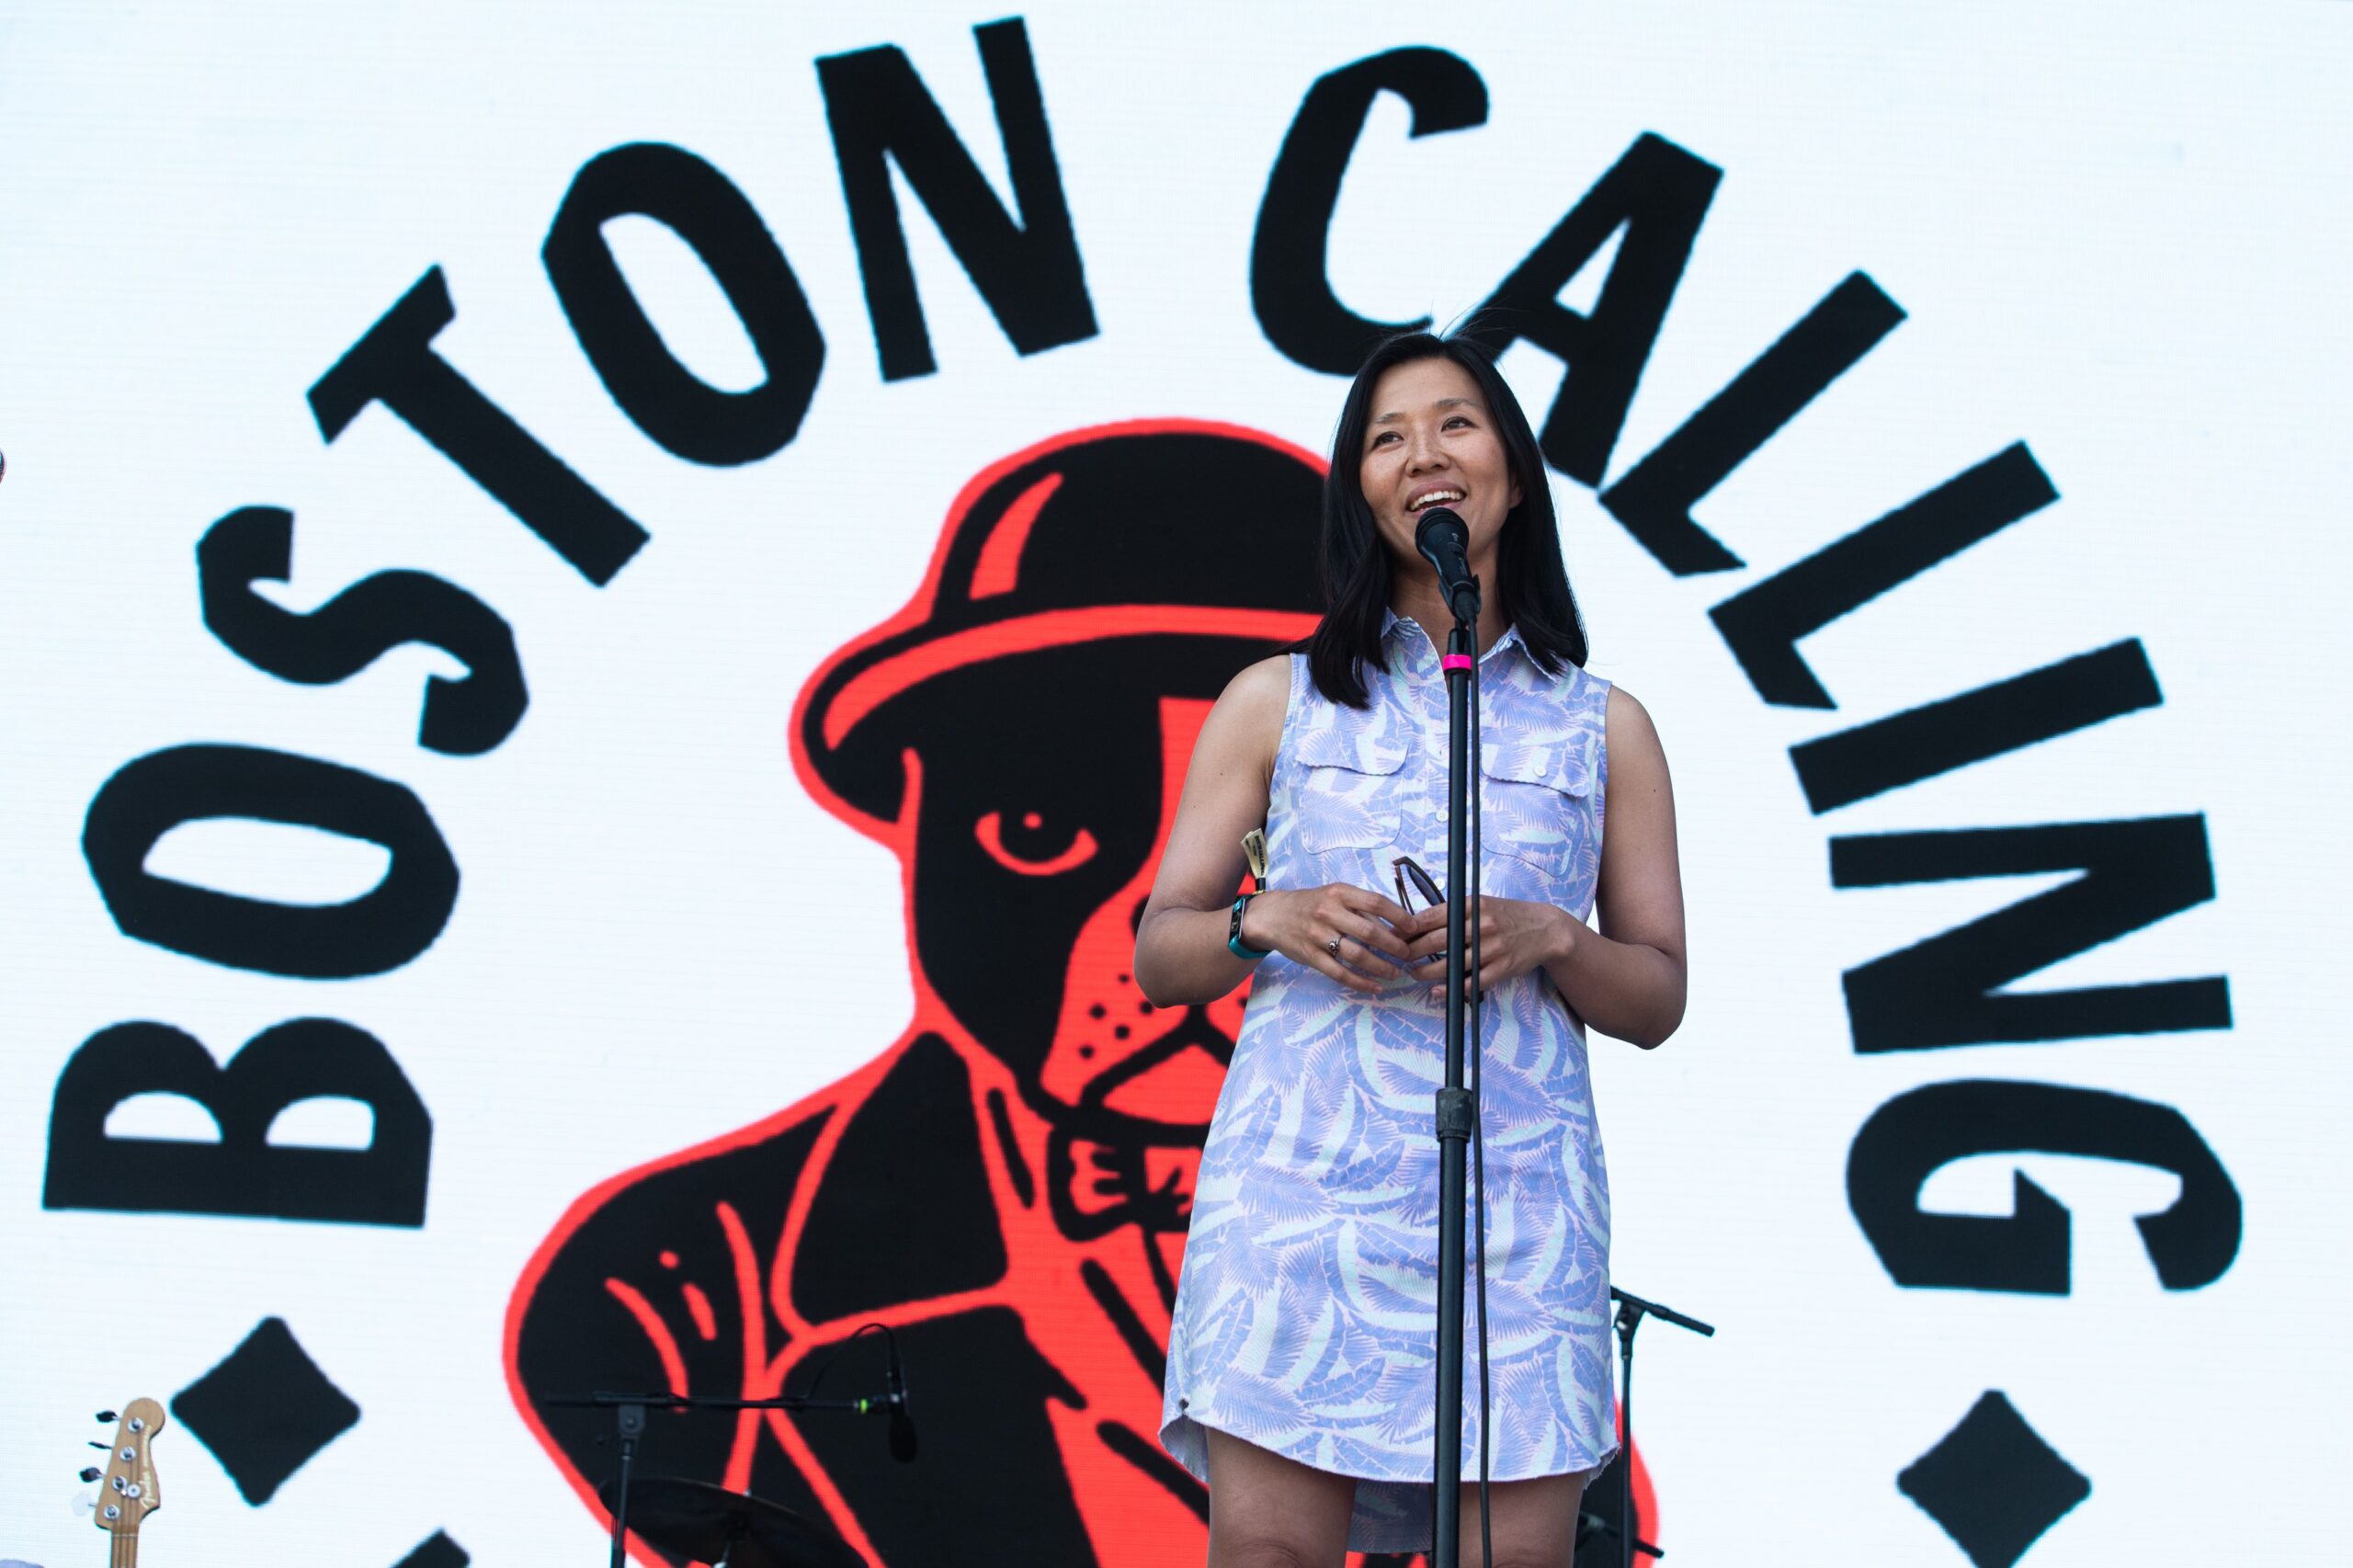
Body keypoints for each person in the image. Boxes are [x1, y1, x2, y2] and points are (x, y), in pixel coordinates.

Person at [1136, 332, 1688, 1565]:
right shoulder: (1275, 699)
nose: (1423, 456)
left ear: (1513, 471)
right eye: (1387, 437)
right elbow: (1161, 947)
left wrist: (1552, 935)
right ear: (1361, 491)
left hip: (1515, 1208)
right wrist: (1260, 918)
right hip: (1300, 1210)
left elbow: (1656, 993)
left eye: (1455, 425)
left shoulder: (1608, 729)